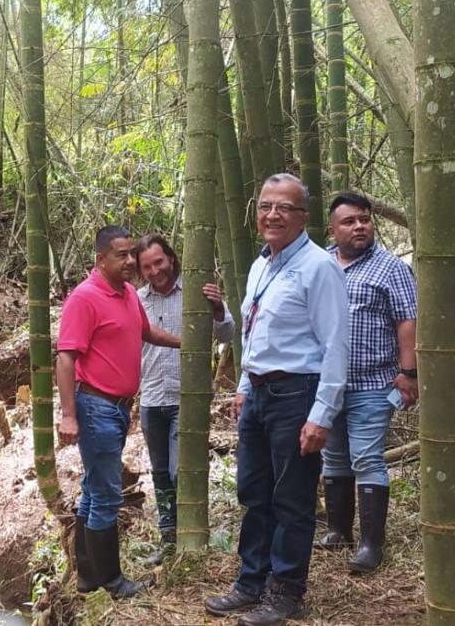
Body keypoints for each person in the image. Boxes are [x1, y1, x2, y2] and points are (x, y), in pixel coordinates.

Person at [204, 174, 350, 626]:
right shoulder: (260, 265)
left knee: (292, 497)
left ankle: (286, 591)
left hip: (297, 393)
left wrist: (321, 415)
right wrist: (244, 389)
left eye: (283, 208)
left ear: (303, 217)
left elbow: (336, 345)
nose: (272, 215)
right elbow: (254, 334)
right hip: (260, 393)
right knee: (254, 492)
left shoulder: (318, 267)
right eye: (266, 206)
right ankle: (252, 581)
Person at [57, 226, 180, 599]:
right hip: (95, 406)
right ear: (101, 259)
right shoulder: (85, 298)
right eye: (121, 256)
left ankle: (87, 577)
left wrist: (186, 342)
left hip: (118, 407)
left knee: (94, 492)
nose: (130, 262)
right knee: (108, 494)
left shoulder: (127, 293)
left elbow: (147, 332)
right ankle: (113, 581)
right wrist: (68, 415)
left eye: (131, 254)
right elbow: (66, 357)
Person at [315, 192, 418, 574]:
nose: (360, 226)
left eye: (364, 219)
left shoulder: (391, 268)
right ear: (332, 229)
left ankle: (372, 543)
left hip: (372, 383)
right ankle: (339, 530)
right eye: (350, 221)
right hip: (327, 384)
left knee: (366, 456)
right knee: (335, 456)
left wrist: (409, 373)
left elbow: (408, 320)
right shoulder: (320, 263)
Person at [135, 233, 236, 566]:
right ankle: (168, 540)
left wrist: (219, 307)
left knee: (182, 471)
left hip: (187, 396)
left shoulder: (194, 292)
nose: (154, 271)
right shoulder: (136, 300)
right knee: (161, 473)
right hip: (151, 396)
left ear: (172, 258)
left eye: (159, 262)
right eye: (146, 266)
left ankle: (191, 537)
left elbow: (227, 334)